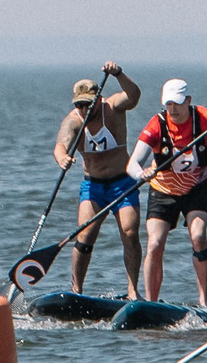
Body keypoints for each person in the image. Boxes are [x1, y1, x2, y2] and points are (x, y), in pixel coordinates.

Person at [129, 80, 207, 306]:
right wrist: (141, 173)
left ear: (188, 101)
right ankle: (150, 304)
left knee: (198, 237)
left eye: (177, 103)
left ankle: (205, 301)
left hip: (196, 188)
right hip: (163, 190)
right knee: (154, 244)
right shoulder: (157, 124)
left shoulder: (203, 118)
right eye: (168, 104)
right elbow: (132, 164)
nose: (173, 109)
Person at [53, 62, 145, 297]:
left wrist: (118, 74)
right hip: (93, 186)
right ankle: (77, 290)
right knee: (84, 236)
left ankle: (133, 291)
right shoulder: (73, 121)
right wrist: (63, 158)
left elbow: (134, 96)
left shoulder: (113, 107)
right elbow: (61, 143)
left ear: (99, 99)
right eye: (79, 105)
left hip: (122, 183)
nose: (84, 109)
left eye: (88, 104)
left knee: (130, 233)